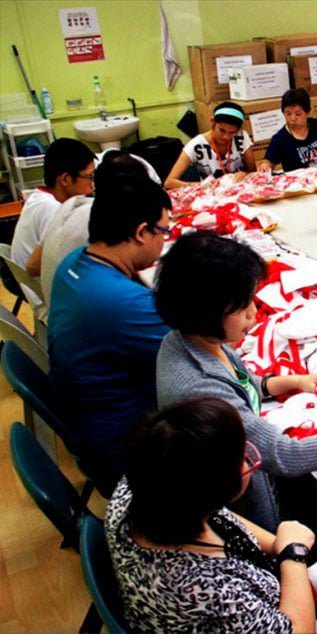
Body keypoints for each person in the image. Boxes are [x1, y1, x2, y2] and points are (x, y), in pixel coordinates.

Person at [154, 231, 317, 530]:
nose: (255, 314)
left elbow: (246, 384)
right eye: (244, 308)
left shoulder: (187, 340)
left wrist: (299, 381)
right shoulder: (201, 391)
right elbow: (285, 456)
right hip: (249, 518)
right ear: (207, 312)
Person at [107, 397, 317, 632]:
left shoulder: (141, 487)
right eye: (242, 458)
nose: (248, 458)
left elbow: (222, 516)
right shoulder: (205, 588)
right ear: (220, 488)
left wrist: (277, 543)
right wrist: (293, 554)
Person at [47, 177, 172, 494]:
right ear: (141, 233)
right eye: (163, 233)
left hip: (90, 429)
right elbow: (204, 347)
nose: (163, 242)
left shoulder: (73, 264)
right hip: (128, 457)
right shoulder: (123, 303)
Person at [36, 151, 154, 305]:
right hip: (75, 308)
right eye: (88, 177)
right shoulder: (105, 219)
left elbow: (32, 264)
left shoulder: (69, 206)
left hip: (59, 305)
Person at [11, 138, 95, 298]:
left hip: (35, 283)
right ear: (65, 179)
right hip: (44, 294)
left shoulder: (39, 197)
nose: (92, 185)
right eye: (89, 177)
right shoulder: (53, 209)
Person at [165, 101, 255, 189]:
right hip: (210, 195)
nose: (226, 137)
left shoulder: (241, 136)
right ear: (212, 122)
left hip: (239, 191)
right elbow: (169, 182)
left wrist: (245, 174)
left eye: (232, 132)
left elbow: (253, 171)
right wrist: (200, 185)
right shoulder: (196, 145)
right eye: (222, 130)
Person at [257, 88, 317, 174]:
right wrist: (265, 165)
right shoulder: (280, 138)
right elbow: (268, 161)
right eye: (288, 113)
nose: (292, 118)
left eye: (298, 114)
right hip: (299, 185)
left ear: (307, 111)